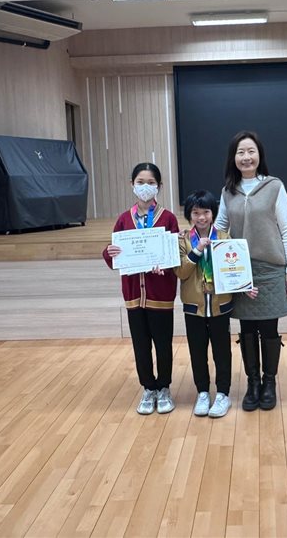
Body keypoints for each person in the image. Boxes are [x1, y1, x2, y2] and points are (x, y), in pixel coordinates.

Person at [216, 131, 287, 411]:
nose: (246, 157)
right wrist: (195, 238)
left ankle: (269, 382)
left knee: (269, 328)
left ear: (259, 155)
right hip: (240, 269)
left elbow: (286, 230)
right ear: (233, 158)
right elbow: (220, 227)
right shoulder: (228, 191)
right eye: (240, 152)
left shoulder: (274, 186)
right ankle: (252, 383)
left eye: (251, 151)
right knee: (247, 328)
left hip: (271, 267)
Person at [102, 162, 179, 415]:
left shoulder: (168, 218)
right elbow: (114, 255)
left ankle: (164, 387)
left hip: (160, 294)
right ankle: (148, 388)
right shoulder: (124, 219)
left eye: (151, 182)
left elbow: (175, 254)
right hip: (134, 295)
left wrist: (165, 264)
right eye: (140, 182)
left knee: (163, 343)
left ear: (159, 186)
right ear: (132, 185)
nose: (145, 187)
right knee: (140, 344)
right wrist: (110, 252)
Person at [174, 190, 234, 418]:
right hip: (194, 307)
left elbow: (233, 269)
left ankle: (223, 394)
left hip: (220, 305)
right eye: (196, 213)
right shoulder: (182, 240)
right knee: (197, 352)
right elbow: (180, 272)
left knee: (222, 352)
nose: (201, 217)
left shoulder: (225, 238)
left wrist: (244, 284)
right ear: (189, 215)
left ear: (213, 213)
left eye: (206, 212)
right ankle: (202, 392)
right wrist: (197, 251)